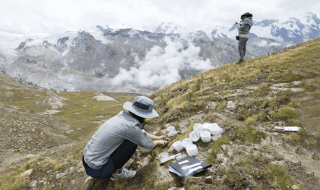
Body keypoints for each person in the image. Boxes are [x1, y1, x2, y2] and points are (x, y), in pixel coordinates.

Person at [82, 96, 168, 189]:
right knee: (132, 143)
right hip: (97, 169)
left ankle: (107, 171)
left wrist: (158, 137)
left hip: (87, 159)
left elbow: (139, 132)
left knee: (130, 139)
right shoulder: (131, 127)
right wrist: (159, 142)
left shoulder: (123, 116)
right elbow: (148, 144)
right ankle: (115, 173)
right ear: (143, 116)